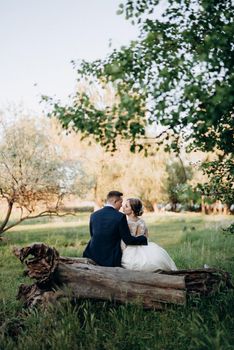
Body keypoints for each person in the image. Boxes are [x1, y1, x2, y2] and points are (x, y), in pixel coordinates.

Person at [83, 191, 148, 267]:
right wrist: (143, 239)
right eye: (120, 202)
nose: (121, 206)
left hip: (91, 255)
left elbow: (92, 235)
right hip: (110, 259)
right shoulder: (120, 217)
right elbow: (128, 240)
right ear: (115, 201)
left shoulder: (94, 215)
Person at [121, 198, 177, 272]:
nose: (123, 207)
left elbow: (127, 240)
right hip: (142, 246)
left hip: (131, 248)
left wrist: (123, 251)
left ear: (133, 210)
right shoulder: (142, 222)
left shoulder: (127, 223)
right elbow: (146, 237)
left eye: (126, 206)